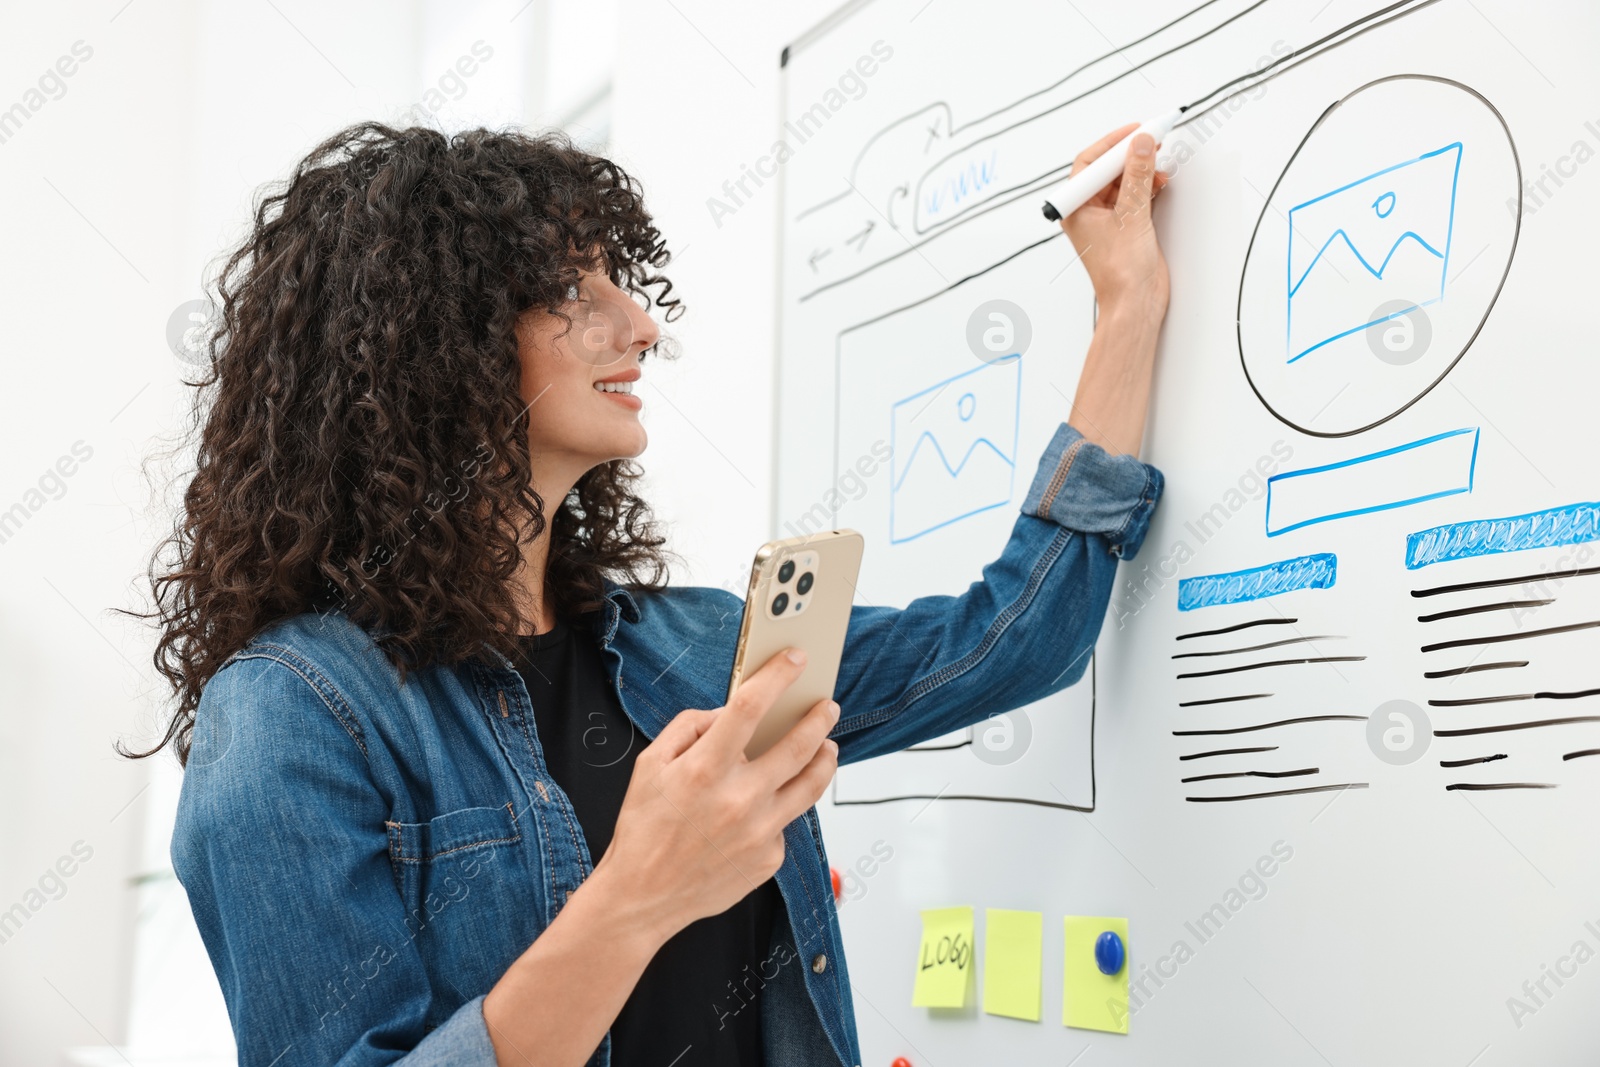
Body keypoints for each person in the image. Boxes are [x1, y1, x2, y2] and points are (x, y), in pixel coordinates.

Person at [135, 118, 1170, 1066]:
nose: (641, 326)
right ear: (433, 343)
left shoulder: (701, 647)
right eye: (575, 289)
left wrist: (1126, 307)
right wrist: (637, 893)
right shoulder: (289, 716)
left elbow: (1014, 642)